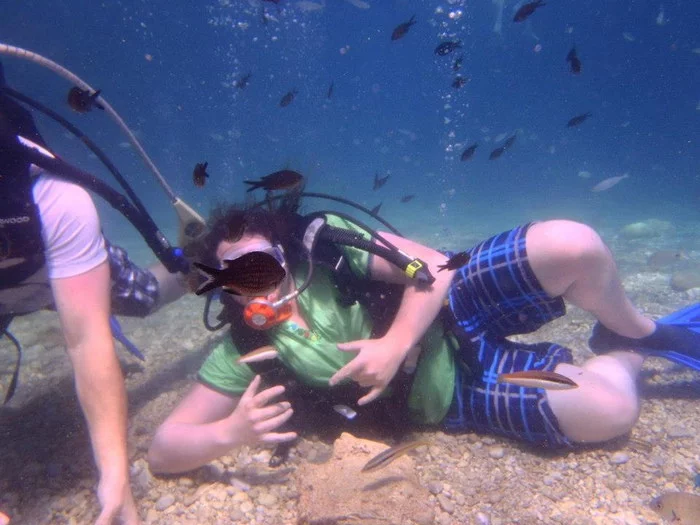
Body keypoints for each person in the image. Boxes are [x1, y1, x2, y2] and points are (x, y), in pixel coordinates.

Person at [147, 194, 700, 475]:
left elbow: (433, 265)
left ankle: (641, 329)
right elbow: (164, 450)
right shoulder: (244, 347)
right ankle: (622, 354)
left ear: (284, 252)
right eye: (234, 276)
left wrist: (393, 345)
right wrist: (232, 433)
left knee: (572, 244)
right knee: (608, 412)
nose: (255, 283)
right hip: (453, 389)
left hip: (454, 300)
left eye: (261, 262)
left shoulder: (330, 249)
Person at [0, 88, 187, 523]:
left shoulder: (54, 195)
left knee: (145, 296)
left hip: (51, 269)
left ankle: (208, 265)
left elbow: (86, 341)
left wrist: (115, 477)